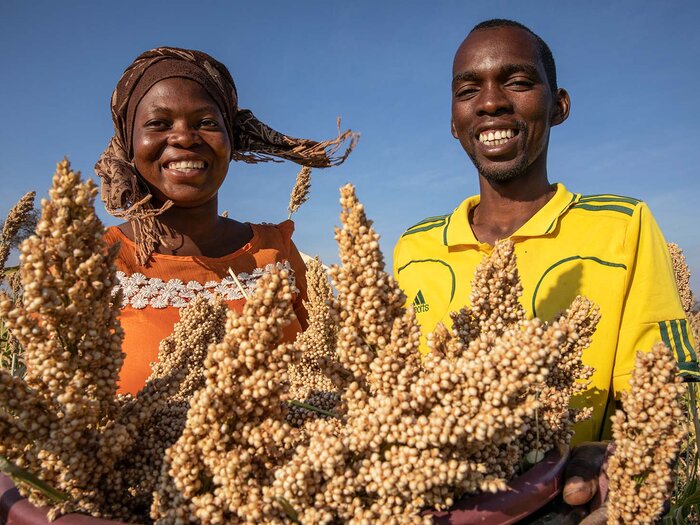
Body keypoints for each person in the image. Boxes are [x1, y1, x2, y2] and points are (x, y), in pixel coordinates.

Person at [393, 19, 696, 518]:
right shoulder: (414, 247)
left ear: (559, 106)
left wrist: (626, 459)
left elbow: (670, 386)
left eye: (517, 81)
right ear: (453, 121)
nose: (491, 102)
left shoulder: (622, 227)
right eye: (469, 89)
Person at [95, 47, 357, 395]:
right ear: (128, 142)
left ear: (231, 141)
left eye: (205, 123)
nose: (185, 137)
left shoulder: (276, 252)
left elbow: (331, 371)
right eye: (159, 123)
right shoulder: (90, 263)